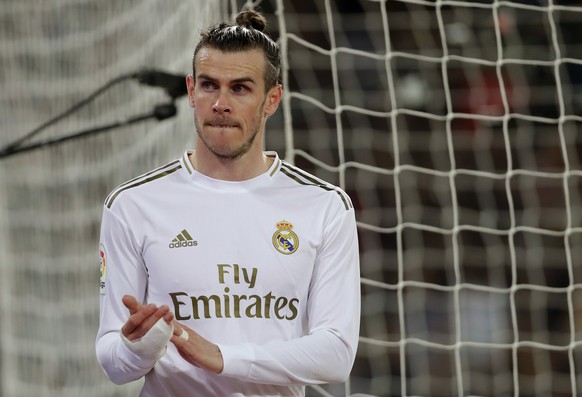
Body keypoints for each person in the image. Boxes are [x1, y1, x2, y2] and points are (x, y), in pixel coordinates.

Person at [96, 9, 360, 397]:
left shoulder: (324, 206)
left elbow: (336, 353)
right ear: (190, 90)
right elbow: (112, 361)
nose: (220, 103)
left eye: (239, 88)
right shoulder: (133, 204)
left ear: (272, 100)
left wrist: (223, 357)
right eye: (209, 85)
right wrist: (140, 348)